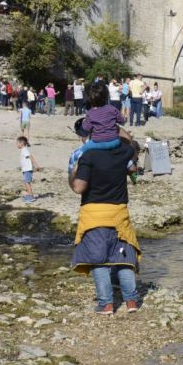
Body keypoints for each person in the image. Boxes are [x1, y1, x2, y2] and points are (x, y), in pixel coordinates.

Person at [69, 119, 141, 315]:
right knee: (123, 256)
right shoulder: (123, 152)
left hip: (94, 214)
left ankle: (106, 304)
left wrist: (71, 177)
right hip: (118, 212)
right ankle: (131, 301)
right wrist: (112, 124)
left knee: (98, 259)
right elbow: (131, 146)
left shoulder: (81, 154)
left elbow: (78, 187)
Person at [16, 136, 41, 203]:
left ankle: (31, 196)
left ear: (21, 143)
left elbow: (30, 156)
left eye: (17, 143)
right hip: (25, 169)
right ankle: (29, 194)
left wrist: (36, 164)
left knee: (27, 182)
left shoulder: (24, 150)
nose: (16, 144)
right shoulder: (23, 150)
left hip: (27, 169)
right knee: (26, 182)